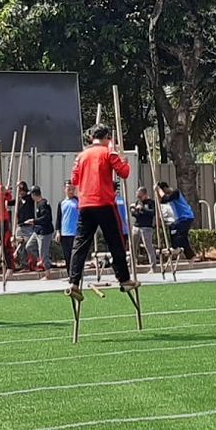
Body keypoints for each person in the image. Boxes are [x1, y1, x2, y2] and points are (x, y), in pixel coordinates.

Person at [67, 124, 137, 300]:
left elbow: (74, 179)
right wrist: (123, 160)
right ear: (107, 138)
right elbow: (124, 173)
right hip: (104, 203)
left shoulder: (81, 156)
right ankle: (124, 279)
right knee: (116, 242)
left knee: (80, 244)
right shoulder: (108, 152)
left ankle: (73, 282)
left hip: (85, 205)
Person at [156, 182, 196, 260]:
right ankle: (191, 256)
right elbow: (162, 201)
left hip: (186, 217)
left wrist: (158, 189)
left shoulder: (176, 193)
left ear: (165, 189)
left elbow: (165, 198)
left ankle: (175, 247)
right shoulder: (170, 195)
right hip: (182, 218)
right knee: (183, 238)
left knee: (173, 227)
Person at [24, 186, 54, 280]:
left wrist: (34, 221)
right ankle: (42, 259)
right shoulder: (38, 204)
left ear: (34, 195)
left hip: (45, 233)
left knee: (43, 253)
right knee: (29, 246)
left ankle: (48, 274)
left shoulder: (43, 204)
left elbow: (47, 218)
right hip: (37, 231)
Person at [130, 187, 158, 273]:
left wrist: (142, 209)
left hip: (146, 228)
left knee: (148, 247)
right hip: (136, 226)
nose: (139, 198)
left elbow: (152, 213)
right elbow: (135, 214)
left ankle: (153, 267)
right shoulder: (138, 202)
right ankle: (132, 266)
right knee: (133, 247)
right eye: (138, 196)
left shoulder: (151, 202)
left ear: (145, 195)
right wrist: (133, 210)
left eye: (140, 196)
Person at [56, 181, 79, 277]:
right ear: (65, 190)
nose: (71, 191)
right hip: (65, 233)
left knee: (75, 254)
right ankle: (70, 274)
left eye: (73, 189)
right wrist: (58, 231)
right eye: (69, 189)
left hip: (75, 232)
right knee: (67, 255)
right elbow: (59, 218)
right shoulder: (61, 203)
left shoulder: (78, 201)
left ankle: (76, 273)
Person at [13, 181, 35, 269]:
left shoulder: (29, 199)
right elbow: (9, 201)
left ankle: (32, 263)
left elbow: (32, 194)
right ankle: (23, 264)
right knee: (18, 245)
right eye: (19, 191)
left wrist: (21, 184)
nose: (21, 192)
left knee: (28, 245)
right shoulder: (18, 201)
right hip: (20, 226)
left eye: (22, 190)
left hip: (29, 226)